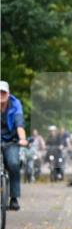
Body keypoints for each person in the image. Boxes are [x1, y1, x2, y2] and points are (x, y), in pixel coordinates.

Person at [0, 81, 28, 210]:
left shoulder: (15, 104)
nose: (1, 95)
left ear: (8, 93)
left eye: (3, 92)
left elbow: (19, 123)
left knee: (13, 163)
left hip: (11, 140)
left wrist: (22, 139)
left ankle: (14, 197)